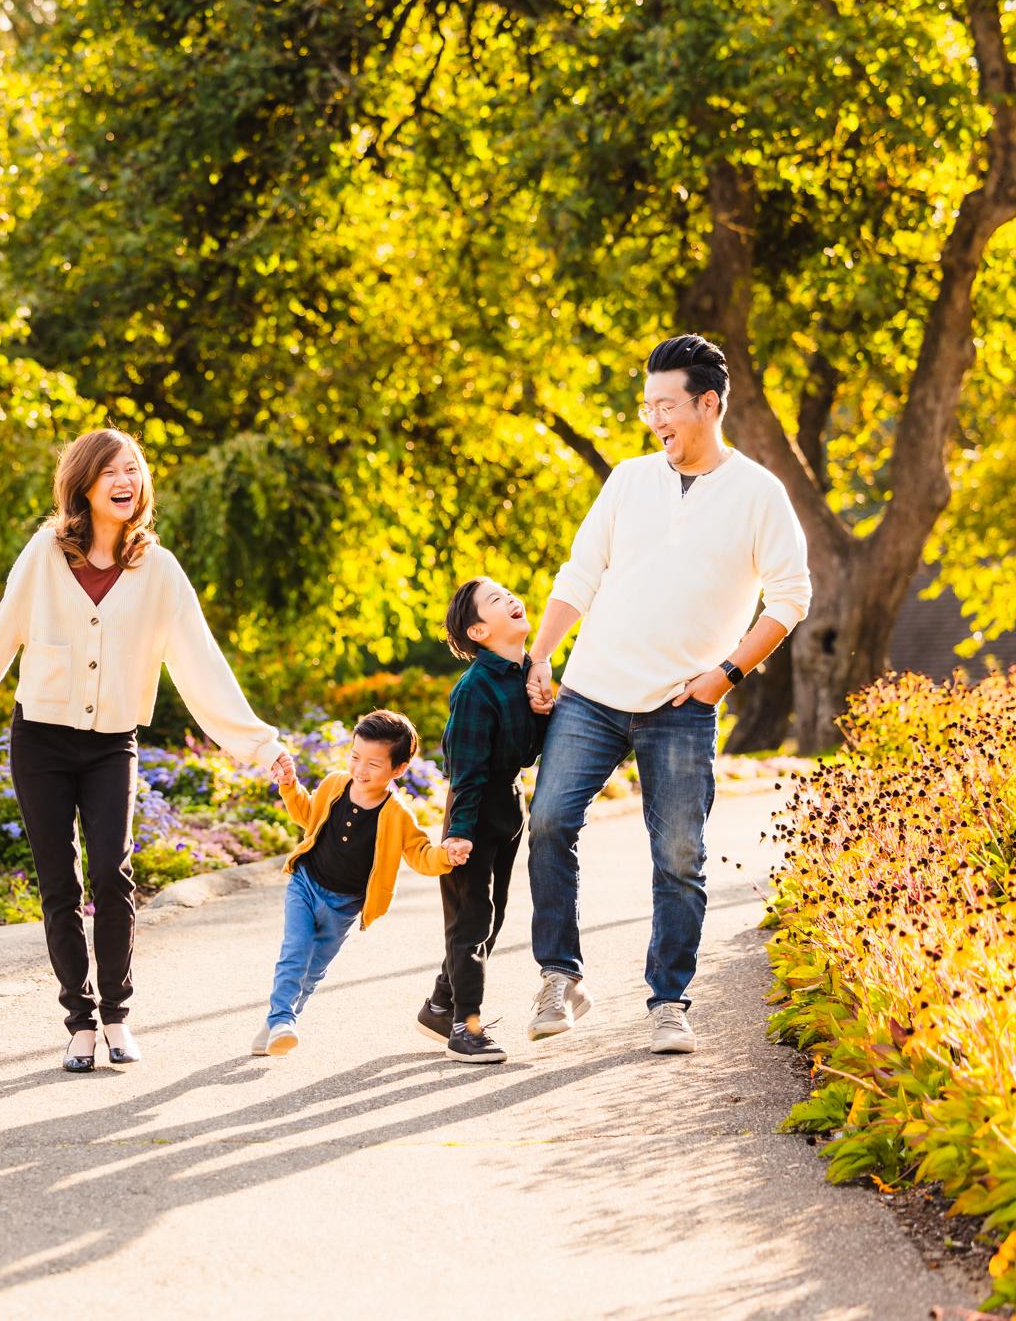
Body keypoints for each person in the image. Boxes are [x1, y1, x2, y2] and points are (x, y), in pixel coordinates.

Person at [0, 428, 295, 1073]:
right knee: (59, 884)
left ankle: (117, 1016)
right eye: (113, 471)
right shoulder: (43, 555)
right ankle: (79, 1024)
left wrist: (259, 746)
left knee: (113, 878)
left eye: (135, 472)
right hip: (40, 741)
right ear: (84, 482)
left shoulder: (160, 570)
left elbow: (201, 665)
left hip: (112, 743)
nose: (127, 482)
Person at [523, 334, 811, 1054]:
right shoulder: (628, 479)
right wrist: (541, 654)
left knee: (678, 856)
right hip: (592, 692)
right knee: (551, 823)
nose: (655, 418)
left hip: (681, 707)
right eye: (648, 405)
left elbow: (791, 596)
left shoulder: (758, 494)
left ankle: (669, 1000)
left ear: (708, 404)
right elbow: (580, 570)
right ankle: (560, 976)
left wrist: (725, 675)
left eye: (667, 404)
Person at [252, 710, 460, 1058]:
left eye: (373, 764)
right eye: (355, 757)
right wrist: (289, 785)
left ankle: (276, 1025)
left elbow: (421, 854)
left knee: (314, 970)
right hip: (305, 883)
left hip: (344, 905)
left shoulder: (397, 815)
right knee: (295, 952)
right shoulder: (336, 784)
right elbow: (308, 815)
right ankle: (283, 1018)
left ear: (398, 769)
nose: (360, 770)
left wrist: (445, 856)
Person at [414, 577, 551, 1063]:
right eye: (495, 600)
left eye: (508, 593)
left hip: (506, 809)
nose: (511, 599)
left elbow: (528, 753)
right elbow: (465, 771)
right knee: (471, 921)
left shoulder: (523, 676)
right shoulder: (475, 688)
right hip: (471, 812)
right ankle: (464, 1028)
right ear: (477, 631)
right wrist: (458, 834)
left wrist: (541, 711)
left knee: (489, 920)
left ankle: (440, 1004)